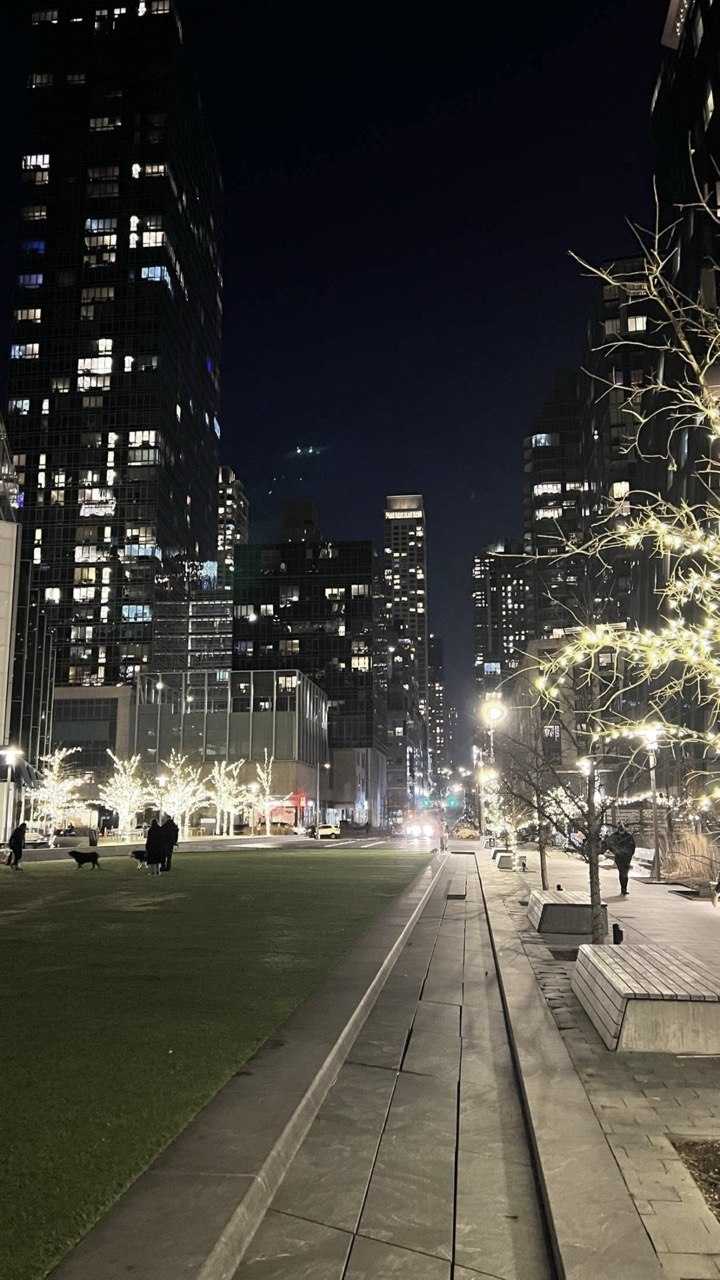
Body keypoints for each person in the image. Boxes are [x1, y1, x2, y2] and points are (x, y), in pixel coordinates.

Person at [606, 823, 635, 896]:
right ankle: (623, 888)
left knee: (624, 873)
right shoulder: (616, 836)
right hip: (620, 856)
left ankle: (624, 888)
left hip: (626, 857)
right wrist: (615, 851)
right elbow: (609, 844)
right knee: (623, 872)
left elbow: (633, 847)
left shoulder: (628, 836)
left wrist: (630, 854)